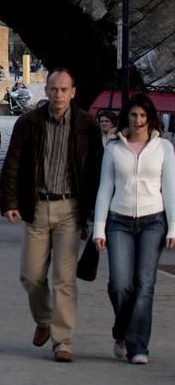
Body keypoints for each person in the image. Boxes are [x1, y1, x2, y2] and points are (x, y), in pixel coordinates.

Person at [0, 67, 103, 363]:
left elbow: (95, 171)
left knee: (64, 279)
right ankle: (44, 319)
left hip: (70, 209)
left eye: (64, 90)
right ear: (45, 90)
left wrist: (92, 215)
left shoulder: (86, 125)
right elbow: (14, 161)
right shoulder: (29, 122)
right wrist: (9, 201)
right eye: (54, 89)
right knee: (30, 276)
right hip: (38, 206)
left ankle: (63, 341)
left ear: (73, 92)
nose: (58, 95)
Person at [93, 94, 175, 364]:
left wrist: (173, 227)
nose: (138, 121)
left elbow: (170, 189)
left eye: (143, 116)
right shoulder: (114, 148)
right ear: (126, 117)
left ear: (150, 118)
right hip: (120, 221)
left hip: (154, 220)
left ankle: (138, 346)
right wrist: (99, 228)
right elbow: (105, 188)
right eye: (133, 115)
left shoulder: (164, 148)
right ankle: (122, 330)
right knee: (120, 285)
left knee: (144, 285)